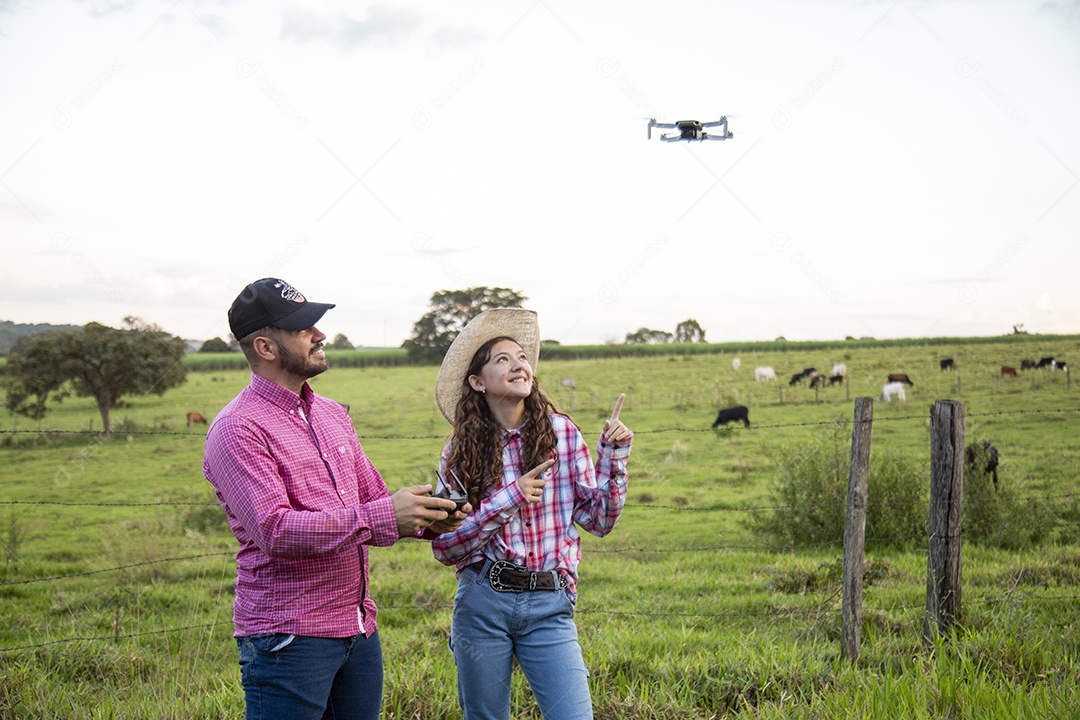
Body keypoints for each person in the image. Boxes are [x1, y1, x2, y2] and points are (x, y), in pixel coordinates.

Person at [203, 277, 469, 720]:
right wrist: (387, 515)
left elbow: (373, 498)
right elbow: (276, 530)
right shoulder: (237, 428)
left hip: (357, 626)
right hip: (289, 637)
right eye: (303, 328)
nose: (320, 334)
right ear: (266, 347)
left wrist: (430, 517)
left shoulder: (331, 414)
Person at [431, 308, 632, 719]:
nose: (518, 364)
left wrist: (613, 455)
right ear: (477, 382)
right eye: (502, 359)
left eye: (521, 357)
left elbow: (600, 521)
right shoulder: (460, 452)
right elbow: (445, 547)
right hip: (483, 605)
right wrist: (511, 497)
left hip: (549, 603)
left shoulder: (562, 434)